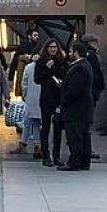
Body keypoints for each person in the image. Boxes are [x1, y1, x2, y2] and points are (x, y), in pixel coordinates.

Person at [57, 43, 95, 171]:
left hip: (76, 109)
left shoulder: (79, 68)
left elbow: (74, 90)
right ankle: (84, 161)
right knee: (83, 135)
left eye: (71, 51)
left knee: (75, 136)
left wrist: (64, 98)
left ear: (76, 52)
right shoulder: (86, 65)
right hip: (84, 108)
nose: (69, 54)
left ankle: (75, 162)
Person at [35, 39, 68, 167]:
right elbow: (37, 79)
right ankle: (46, 155)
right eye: (50, 47)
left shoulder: (62, 61)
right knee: (46, 127)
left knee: (58, 128)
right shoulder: (41, 61)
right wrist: (46, 68)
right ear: (46, 48)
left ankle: (56, 155)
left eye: (55, 47)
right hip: (46, 98)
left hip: (58, 98)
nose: (53, 49)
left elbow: (66, 77)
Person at [14, 54, 42, 157]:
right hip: (41, 99)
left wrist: (25, 96)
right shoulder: (45, 66)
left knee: (27, 122)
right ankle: (37, 146)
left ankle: (23, 144)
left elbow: (24, 83)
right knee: (36, 123)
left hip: (30, 98)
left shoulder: (29, 67)